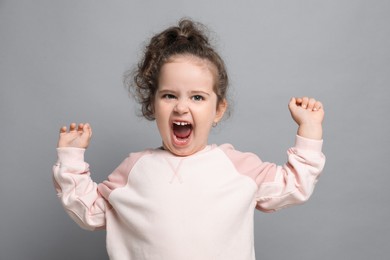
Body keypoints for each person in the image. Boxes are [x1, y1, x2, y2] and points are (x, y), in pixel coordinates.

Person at [53, 19, 325, 260]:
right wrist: (71, 160)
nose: (182, 107)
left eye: (197, 97)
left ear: (218, 110)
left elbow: (295, 185)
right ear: (153, 105)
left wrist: (310, 129)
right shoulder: (133, 170)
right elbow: (89, 211)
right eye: (169, 95)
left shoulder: (238, 168)